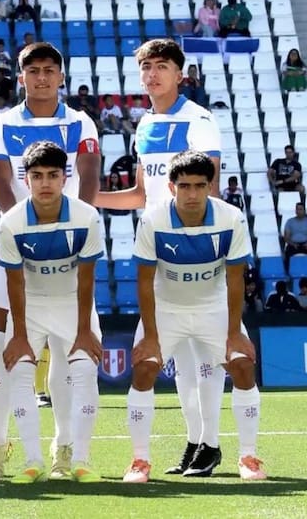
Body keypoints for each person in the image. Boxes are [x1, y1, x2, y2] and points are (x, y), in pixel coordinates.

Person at [92, 39, 227, 478]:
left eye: (162, 66)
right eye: (146, 67)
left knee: (205, 361)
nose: (153, 74)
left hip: (196, 259)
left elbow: (211, 192)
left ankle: (212, 444)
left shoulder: (199, 121)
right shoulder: (145, 123)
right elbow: (139, 195)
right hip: (155, 256)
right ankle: (196, 443)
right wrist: (85, 197)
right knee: (180, 365)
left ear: (180, 74)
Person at [0, 41, 101, 479]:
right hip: (16, 247)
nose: (41, 77)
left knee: (67, 353)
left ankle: (64, 450)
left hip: (66, 252)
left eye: (49, 69)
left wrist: (68, 230)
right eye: (32, 70)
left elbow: (88, 178)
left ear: (61, 75)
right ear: (20, 77)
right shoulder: (2, 124)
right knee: (3, 353)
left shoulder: (80, 121)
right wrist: (27, 228)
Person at [123, 149, 266, 483]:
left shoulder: (231, 218)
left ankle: (248, 456)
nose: (192, 193)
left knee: (242, 363)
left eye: (199, 186)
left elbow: (235, 279)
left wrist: (234, 333)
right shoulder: (153, 220)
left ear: (210, 186)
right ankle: (140, 461)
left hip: (213, 307)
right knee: (144, 370)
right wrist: (152, 337)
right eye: (184, 185)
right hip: (166, 308)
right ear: (171, 187)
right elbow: (144, 281)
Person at [0, 141, 104, 483]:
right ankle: (33, 462)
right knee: (18, 376)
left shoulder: (87, 217)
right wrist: (18, 335)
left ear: (65, 178)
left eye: (53, 175)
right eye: (37, 176)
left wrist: (84, 328)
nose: (45, 183)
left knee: (85, 373)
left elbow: (87, 277)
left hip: (74, 303)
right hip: (30, 307)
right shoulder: (11, 222)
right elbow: (14, 283)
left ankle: (78, 458)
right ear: (25, 179)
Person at [284, 203, 307, 270]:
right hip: (293, 244)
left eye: (300, 209)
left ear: (304, 210)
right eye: (297, 209)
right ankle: (288, 273)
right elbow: (286, 237)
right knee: (287, 254)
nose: (298, 211)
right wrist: (293, 244)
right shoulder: (290, 221)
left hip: (305, 244)